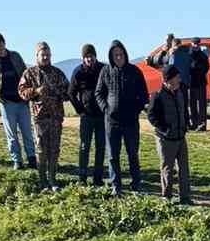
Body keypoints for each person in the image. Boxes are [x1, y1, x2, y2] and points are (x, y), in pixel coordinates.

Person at [95, 40, 148, 196]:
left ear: (125, 54)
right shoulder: (105, 71)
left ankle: (136, 184)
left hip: (131, 121)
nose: (118, 57)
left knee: (132, 153)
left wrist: (136, 110)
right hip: (111, 121)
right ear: (111, 57)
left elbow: (143, 95)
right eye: (115, 55)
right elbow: (98, 93)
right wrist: (106, 108)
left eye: (121, 54)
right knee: (112, 155)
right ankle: (116, 185)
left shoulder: (135, 71)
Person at [18, 43, 71, 191]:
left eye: (48, 55)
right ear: (37, 56)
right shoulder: (29, 73)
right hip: (39, 118)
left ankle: (53, 180)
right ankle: (42, 181)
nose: (46, 57)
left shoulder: (58, 73)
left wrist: (57, 92)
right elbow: (21, 92)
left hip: (56, 118)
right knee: (41, 149)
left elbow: (68, 93)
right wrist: (36, 91)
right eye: (43, 55)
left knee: (54, 149)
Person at [0, 32, 36, 171]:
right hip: (6, 103)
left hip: (22, 101)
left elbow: (26, 74)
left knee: (27, 132)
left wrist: (28, 93)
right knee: (11, 134)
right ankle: (17, 160)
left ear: (4, 42)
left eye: (0, 42)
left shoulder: (15, 56)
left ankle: (31, 158)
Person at [147, 66, 191, 204]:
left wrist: (185, 126)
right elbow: (151, 116)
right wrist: (164, 129)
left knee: (184, 169)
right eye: (176, 77)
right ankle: (167, 197)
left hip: (180, 136)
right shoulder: (157, 95)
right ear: (168, 79)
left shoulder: (180, 92)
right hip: (166, 139)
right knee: (167, 169)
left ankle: (185, 197)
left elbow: (184, 110)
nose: (179, 79)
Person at [70, 44, 105, 186]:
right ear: (83, 58)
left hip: (102, 116)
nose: (89, 59)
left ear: (95, 56)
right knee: (84, 146)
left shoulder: (104, 69)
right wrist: (80, 110)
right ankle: (82, 178)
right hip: (86, 116)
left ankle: (98, 178)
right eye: (86, 57)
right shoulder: (78, 72)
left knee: (101, 147)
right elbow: (71, 93)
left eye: (91, 56)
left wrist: (106, 107)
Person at [188, 38, 210, 130]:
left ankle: (202, 124)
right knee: (192, 104)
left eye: (197, 44)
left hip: (201, 81)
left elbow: (206, 67)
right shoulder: (188, 55)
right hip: (192, 81)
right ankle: (194, 123)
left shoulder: (203, 55)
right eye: (194, 43)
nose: (196, 45)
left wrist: (199, 70)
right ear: (192, 44)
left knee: (202, 104)